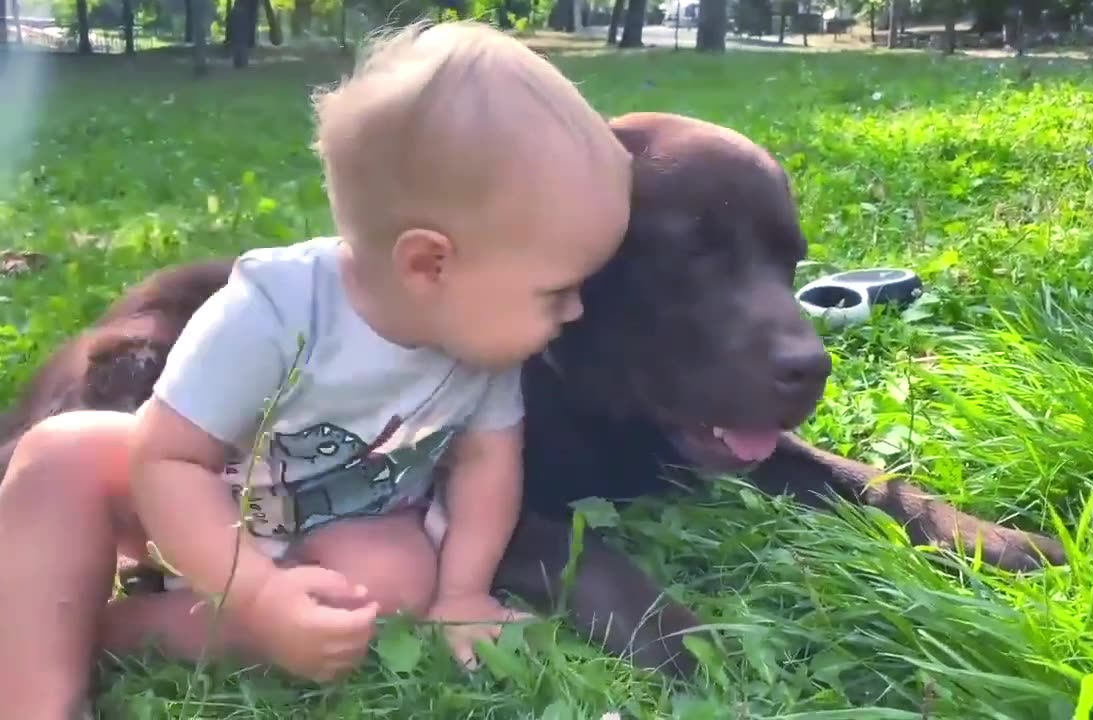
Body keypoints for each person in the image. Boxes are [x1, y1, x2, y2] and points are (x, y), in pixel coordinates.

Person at [0, 19, 633, 720]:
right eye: (557, 290)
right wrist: (255, 589)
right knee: (58, 456)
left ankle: (115, 633)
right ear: (430, 263)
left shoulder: (484, 344)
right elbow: (167, 459)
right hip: (206, 495)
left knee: (387, 588)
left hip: (347, 524)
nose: (576, 311)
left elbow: (488, 470)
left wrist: (461, 594)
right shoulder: (273, 311)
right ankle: (37, 698)